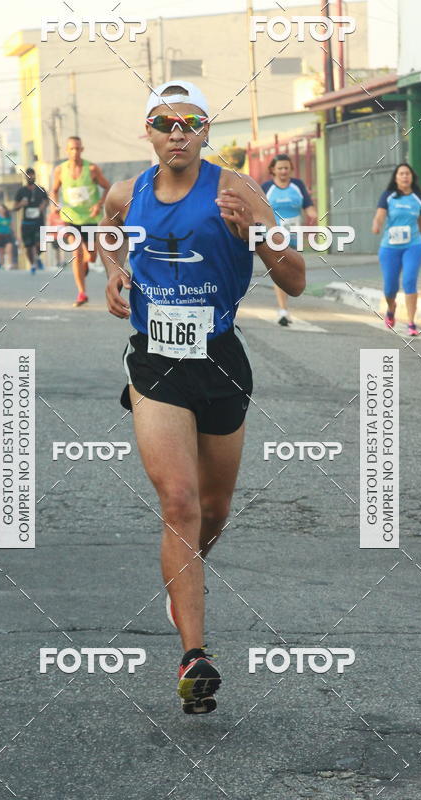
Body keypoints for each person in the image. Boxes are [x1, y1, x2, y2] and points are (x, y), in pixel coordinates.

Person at [99, 80, 305, 714]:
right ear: (150, 132)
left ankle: (179, 575)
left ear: (206, 131)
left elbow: (295, 281)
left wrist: (257, 237)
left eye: (191, 121)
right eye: (165, 122)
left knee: (212, 511)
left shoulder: (236, 189)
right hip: (156, 361)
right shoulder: (125, 192)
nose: (178, 131)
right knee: (180, 501)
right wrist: (115, 272)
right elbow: (106, 231)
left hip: (220, 360)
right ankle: (195, 655)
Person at [51, 136, 110, 306]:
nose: (75, 152)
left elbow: (107, 187)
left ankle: (83, 265)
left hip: (90, 219)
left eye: (78, 148)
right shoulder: (60, 170)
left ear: (82, 150)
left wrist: (99, 205)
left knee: (91, 257)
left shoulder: (92, 169)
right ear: (67, 151)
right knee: (76, 252)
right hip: (70, 218)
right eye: (71, 149)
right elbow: (54, 190)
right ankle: (82, 293)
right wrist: (55, 205)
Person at [372, 162, 421, 337]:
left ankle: (411, 322)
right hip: (390, 248)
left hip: (413, 246)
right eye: (401, 174)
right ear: (396, 178)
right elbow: (380, 216)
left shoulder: (419, 197)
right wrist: (377, 225)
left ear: (412, 177)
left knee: (409, 281)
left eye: (407, 174)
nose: (405, 176)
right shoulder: (388, 196)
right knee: (390, 288)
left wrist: (420, 242)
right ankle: (391, 307)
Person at [261, 154, 316, 326]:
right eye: (280, 168)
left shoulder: (297, 185)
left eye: (286, 168)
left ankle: (286, 304)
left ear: (291, 169)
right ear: (273, 170)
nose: (283, 171)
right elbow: (260, 210)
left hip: (295, 235)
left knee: (293, 270)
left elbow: (309, 207)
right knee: (280, 269)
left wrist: (314, 219)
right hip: (275, 235)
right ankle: (283, 309)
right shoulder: (266, 187)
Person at [14, 167, 48, 273]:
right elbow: (15, 207)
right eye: (28, 175)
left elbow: (46, 200)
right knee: (28, 246)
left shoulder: (41, 189)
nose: (30, 177)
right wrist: (21, 204)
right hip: (27, 222)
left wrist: (43, 205)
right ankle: (33, 264)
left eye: (32, 174)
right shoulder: (21, 191)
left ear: (35, 176)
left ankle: (37, 258)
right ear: (25, 177)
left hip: (39, 221)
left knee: (40, 245)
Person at [0, 203, 15, 269]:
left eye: (2, 209)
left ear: (5, 210)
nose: (0, 210)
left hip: (8, 235)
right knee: (1, 251)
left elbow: (12, 227)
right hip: (0, 235)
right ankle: (2, 265)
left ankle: (10, 264)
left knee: (9, 249)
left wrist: (16, 236)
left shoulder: (9, 217)